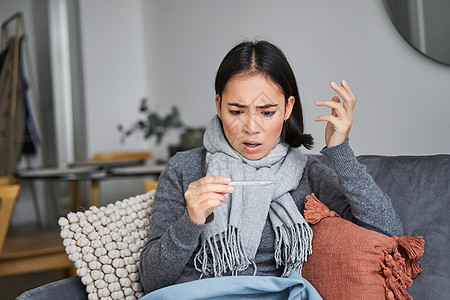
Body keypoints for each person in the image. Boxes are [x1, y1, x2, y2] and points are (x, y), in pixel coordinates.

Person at [139, 40, 404, 295]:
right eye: (237, 111)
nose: (252, 128)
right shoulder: (185, 169)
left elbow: (388, 235)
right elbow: (152, 280)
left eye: (267, 112)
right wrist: (191, 220)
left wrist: (340, 150)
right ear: (218, 105)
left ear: (288, 108)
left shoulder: (309, 174)